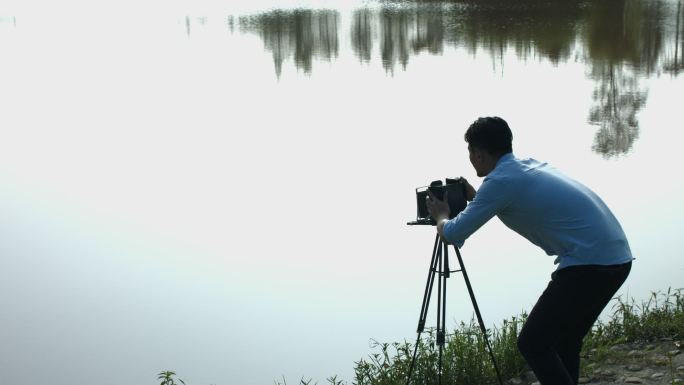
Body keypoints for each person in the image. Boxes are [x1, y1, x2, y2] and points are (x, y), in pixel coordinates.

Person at [426, 116, 633, 385]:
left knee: (532, 342)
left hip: (590, 263)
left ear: (477, 153)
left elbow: (452, 233)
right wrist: (475, 197)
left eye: (470, 153)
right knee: (564, 341)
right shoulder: (526, 167)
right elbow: (503, 198)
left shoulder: (500, 182)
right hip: (616, 256)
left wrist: (441, 216)